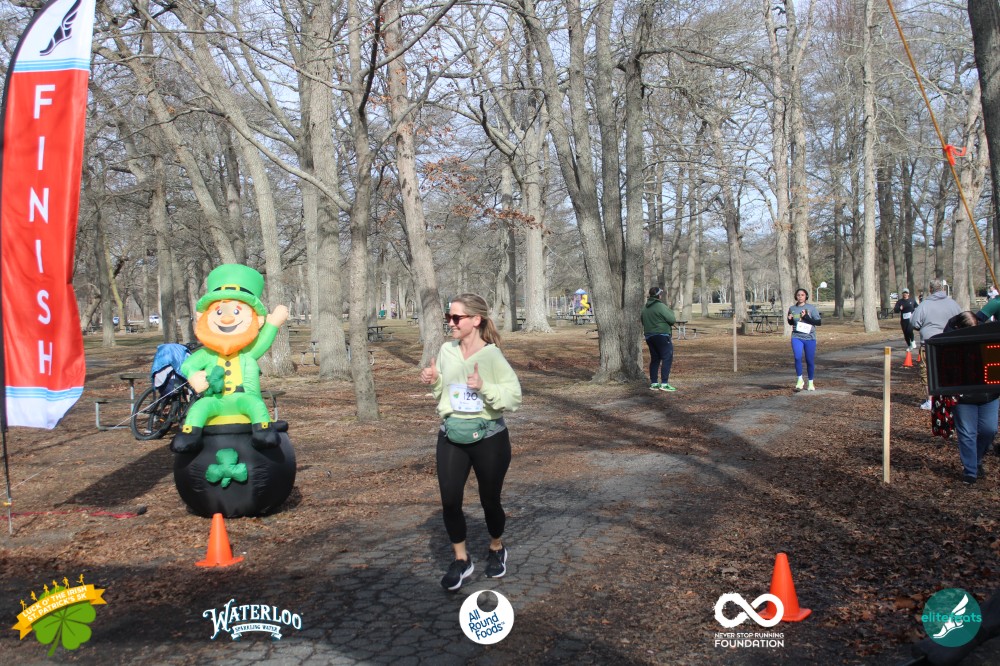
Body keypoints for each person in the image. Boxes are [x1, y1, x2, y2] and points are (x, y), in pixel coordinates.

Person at [419, 293, 522, 592]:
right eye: (448, 317)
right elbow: (444, 393)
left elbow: (514, 398)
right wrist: (435, 379)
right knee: (450, 501)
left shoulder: (492, 356)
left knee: (490, 500)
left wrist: (484, 386)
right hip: (452, 433)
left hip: (489, 437)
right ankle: (461, 559)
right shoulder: (446, 350)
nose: (450, 323)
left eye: (456, 317)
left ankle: (496, 547)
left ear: (476, 320)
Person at [172, 264, 288, 453]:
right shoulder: (208, 354)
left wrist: (273, 323)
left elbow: (263, 342)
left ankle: (263, 431)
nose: (227, 319)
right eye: (219, 312)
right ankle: (189, 435)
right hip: (216, 400)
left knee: (256, 405)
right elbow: (188, 364)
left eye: (236, 312)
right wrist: (193, 375)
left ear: (257, 320)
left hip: (244, 398)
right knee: (200, 407)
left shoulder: (247, 353)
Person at [942, 311, 999, 485]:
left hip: (989, 394)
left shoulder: (987, 338)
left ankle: (977, 459)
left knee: (989, 430)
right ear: (960, 329)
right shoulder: (947, 344)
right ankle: (970, 470)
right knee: (967, 433)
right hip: (963, 397)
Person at [911, 278, 962, 410]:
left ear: (930, 289)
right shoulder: (953, 304)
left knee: (927, 372)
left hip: (929, 343)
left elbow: (914, 323)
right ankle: (950, 397)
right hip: (949, 343)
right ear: (943, 289)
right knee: (949, 369)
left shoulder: (924, 305)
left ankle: (930, 400)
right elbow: (961, 321)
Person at [640, 287, 677, 391]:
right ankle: (664, 384)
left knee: (655, 359)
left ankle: (654, 383)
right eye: (660, 294)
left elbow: (643, 320)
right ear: (658, 295)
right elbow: (672, 319)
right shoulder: (660, 306)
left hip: (649, 336)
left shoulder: (645, 307)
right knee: (667, 357)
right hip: (662, 335)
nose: (661, 295)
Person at [786, 288, 821, 391]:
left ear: (806, 296)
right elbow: (792, 323)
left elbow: (818, 322)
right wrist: (789, 320)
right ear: (796, 297)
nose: (800, 297)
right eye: (798, 295)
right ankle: (800, 380)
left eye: (802, 295)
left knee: (809, 360)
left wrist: (806, 317)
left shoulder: (811, 308)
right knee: (797, 357)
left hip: (809, 337)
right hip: (796, 336)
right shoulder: (792, 308)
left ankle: (810, 382)